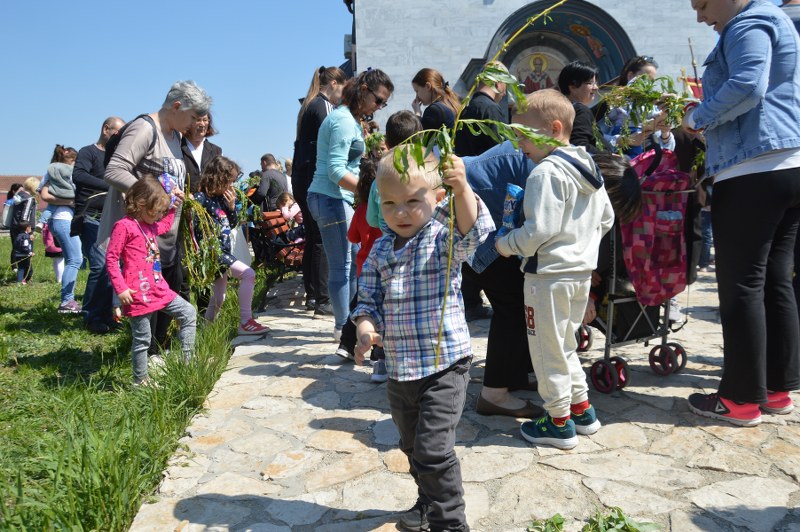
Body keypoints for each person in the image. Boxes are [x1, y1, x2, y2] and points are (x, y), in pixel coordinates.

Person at [352, 150, 494, 532]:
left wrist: (462, 185)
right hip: (400, 370)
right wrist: (365, 329)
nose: (401, 212)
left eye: (413, 201)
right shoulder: (380, 250)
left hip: (445, 365)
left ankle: (450, 523)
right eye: (390, 204)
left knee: (433, 451)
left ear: (438, 198)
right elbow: (366, 301)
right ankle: (427, 501)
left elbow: (474, 231)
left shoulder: (442, 237)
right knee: (412, 448)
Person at [682, 0, 800, 426]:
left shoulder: (748, 22)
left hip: (752, 166)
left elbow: (749, 85)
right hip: (784, 164)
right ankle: (776, 390)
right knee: (774, 281)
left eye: (703, 4)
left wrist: (697, 116)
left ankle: (740, 400)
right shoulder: (774, 20)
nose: (700, 16)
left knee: (743, 285)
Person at [495, 89, 614, 450]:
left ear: (554, 128)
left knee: (546, 351)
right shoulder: (588, 168)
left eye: (522, 134)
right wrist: (582, 247)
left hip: (547, 277)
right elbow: (606, 218)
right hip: (579, 274)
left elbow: (538, 231)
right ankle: (582, 409)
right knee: (564, 345)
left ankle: (558, 421)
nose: (518, 143)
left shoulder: (545, 173)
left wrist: (506, 244)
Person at [98, 80, 211, 358]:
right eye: (192, 117)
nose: (194, 124)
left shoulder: (175, 136)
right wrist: (155, 198)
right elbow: (115, 170)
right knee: (148, 303)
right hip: (144, 240)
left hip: (167, 237)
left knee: (166, 297)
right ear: (176, 106)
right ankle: (147, 358)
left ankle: (158, 352)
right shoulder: (144, 129)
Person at [307, 68, 394, 342]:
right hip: (331, 198)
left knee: (352, 263)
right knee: (342, 266)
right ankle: (343, 328)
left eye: (383, 104)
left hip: (336, 199)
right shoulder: (343, 121)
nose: (378, 107)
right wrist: (368, 193)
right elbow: (335, 170)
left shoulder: (350, 119)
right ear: (364, 89)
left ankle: (349, 326)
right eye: (378, 100)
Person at [460, 140, 541, 418]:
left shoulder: (531, 153)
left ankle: (515, 375)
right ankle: (494, 394)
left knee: (517, 301)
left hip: (481, 229)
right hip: (476, 231)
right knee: (513, 306)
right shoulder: (537, 161)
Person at [105, 176, 196, 386]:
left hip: (158, 288)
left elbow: (165, 225)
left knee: (189, 313)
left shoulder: (150, 225)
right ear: (140, 204)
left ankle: (188, 361)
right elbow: (111, 259)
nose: (157, 216)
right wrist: (120, 289)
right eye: (155, 211)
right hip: (138, 293)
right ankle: (140, 381)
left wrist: (174, 207)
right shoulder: (124, 226)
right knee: (143, 340)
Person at [454, 62, 509, 322]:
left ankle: (470, 300)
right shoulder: (490, 108)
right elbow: (502, 150)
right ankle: (479, 300)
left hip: (467, 183)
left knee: (470, 243)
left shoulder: (468, 107)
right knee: (486, 243)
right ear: (499, 83)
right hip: (487, 185)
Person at [293, 66, 347, 314]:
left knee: (314, 239)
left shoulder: (308, 105)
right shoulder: (324, 106)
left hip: (302, 178)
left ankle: (314, 295)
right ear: (334, 83)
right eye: (342, 89)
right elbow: (332, 142)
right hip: (314, 179)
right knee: (322, 240)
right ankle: (323, 298)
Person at [194, 156, 268, 335]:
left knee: (219, 297)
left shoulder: (222, 199)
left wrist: (232, 205)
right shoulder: (201, 198)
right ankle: (246, 321)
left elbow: (233, 222)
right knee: (248, 274)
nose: (231, 186)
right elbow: (195, 225)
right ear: (218, 178)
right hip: (213, 252)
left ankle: (206, 330)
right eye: (229, 181)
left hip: (223, 250)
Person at [74, 116, 125, 334]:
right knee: (100, 266)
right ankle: (91, 315)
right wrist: (110, 183)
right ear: (106, 129)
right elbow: (78, 175)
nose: (120, 138)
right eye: (117, 133)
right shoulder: (89, 152)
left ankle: (106, 313)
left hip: (112, 218)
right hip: (91, 217)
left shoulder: (119, 157)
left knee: (112, 267)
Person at [598, 55, 676, 157]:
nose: (648, 85)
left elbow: (668, 149)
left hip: (648, 162)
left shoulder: (652, 106)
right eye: (645, 79)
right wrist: (625, 140)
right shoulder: (611, 102)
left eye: (652, 82)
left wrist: (665, 133)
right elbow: (597, 139)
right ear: (630, 76)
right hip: (619, 159)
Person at [39, 145, 83, 314]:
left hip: (63, 220)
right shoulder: (56, 173)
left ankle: (68, 300)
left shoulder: (55, 171)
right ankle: (66, 301)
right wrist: (69, 202)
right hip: (62, 220)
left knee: (74, 258)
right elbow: (45, 195)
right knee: (75, 260)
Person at [557, 61, 600, 153]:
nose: (596, 87)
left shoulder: (559, 108)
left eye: (596, 83)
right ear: (573, 86)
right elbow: (579, 145)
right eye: (590, 83)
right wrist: (609, 156)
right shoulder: (580, 110)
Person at [182, 112, 222, 194]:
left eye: (205, 120)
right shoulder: (177, 147)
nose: (202, 124)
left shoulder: (216, 151)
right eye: (198, 120)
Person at [9, 177, 39, 269]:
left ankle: (18, 272)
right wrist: (29, 232)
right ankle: (26, 276)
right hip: (25, 229)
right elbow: (25, 217)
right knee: (27, 252)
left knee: (17, 251)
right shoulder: (29, 199)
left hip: (14, 227)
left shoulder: (18, 196)